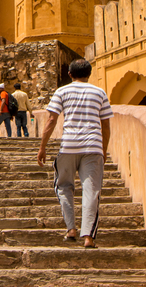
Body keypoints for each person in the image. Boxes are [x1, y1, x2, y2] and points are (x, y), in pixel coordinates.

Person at [37, 58, 112, 249]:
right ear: (89, 74)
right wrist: (103, 151)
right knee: (91, 191)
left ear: (69, 74)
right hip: (93, 147)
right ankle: (88, 237)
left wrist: (42, 147)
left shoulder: (62, 91)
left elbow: (51, 120)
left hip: (69, 146)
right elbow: (106, 125)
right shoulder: (99, 92)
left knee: (63, 186)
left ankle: (71, 229)